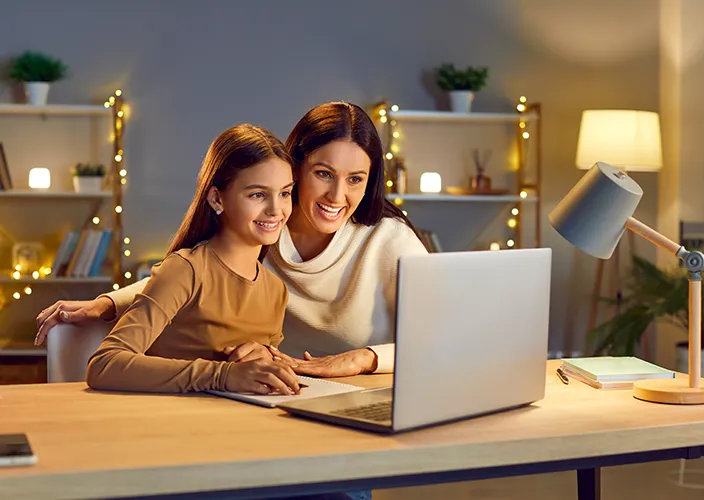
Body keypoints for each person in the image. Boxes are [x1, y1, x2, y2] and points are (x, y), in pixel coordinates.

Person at [35, 102, 428, 378]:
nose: (337, 196)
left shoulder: (388, 240)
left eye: (355, 179)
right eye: (323, 173)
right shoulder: (267, 226)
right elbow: (190, 274)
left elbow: (439, 338)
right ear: (295, 168)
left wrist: (362, 359)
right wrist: (106, 304)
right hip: (275, 391)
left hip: (358, 392)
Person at [85, 123, 301, 396]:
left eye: (285, 193)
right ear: (216, 199)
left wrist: (266, 361)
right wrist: (221, 375)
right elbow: (105, 365)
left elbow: (259, 378)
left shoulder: (275, 290)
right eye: (257, 194)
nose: (276, 210)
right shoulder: (185, 270)